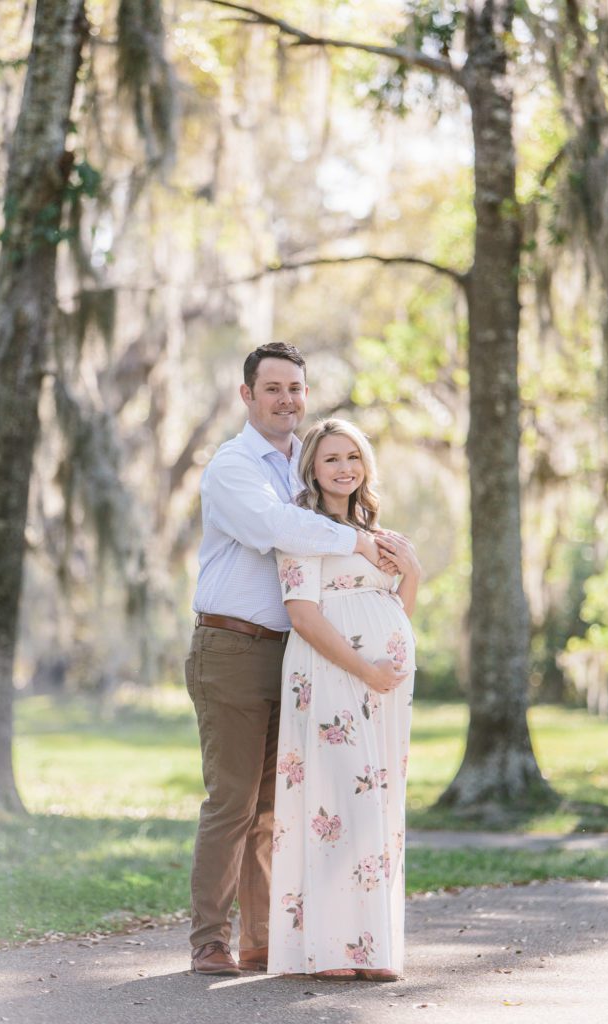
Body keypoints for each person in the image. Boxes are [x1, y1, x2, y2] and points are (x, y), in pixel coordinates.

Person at [185, 343, 390, 977]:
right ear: (246, 395)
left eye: (296, 388)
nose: (287, 399)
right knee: (233, 802)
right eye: (272, 388)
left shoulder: (303, 467)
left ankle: (263, 939)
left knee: (277, 806)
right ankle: (209, 941)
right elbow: (276, 529)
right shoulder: (232, 467)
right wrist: (362, 540)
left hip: (297, 656)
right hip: (232, 647)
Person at [268, 418, 421, 982]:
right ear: (312, 466)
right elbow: (302, 613)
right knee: (336, 803)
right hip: (332, 673)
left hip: (383, 688)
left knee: (378, 805)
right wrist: (364, 667)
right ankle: (330, 948)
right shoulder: (301, 528)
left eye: (353, 457)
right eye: (332, 458)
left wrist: (413, 571)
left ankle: (371, 947)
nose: (344, 468)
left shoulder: (373, 529)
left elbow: (398, 611)